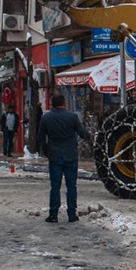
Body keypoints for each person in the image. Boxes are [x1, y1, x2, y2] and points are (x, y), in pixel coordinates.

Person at [37, 93, 89, 222]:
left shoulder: (46, 118)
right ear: (64, 103)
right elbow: (83, 133)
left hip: (54, 154)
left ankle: (53, 214)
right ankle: (72, 214)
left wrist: (46, 151)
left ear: (52, 104)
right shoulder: (72, 117)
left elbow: (40, 138)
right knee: (71, 186)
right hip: (70, 154)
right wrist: (90, 136)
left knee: (55, 186)